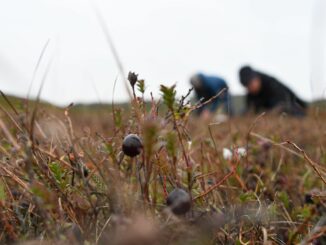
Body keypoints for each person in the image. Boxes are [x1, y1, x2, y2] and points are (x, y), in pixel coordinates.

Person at [239, 66, 307, 116]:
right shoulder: (251, 94)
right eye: (247, 86)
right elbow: (250, 110)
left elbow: (282, 104)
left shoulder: (272, 84)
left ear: (256, 79)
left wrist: (268, 114)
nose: (250, 88)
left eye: (251, 84)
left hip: (291, 106)